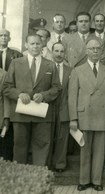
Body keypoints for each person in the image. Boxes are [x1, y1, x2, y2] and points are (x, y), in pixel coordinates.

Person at [3, 34, 61, 166]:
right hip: (21, 114)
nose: (35, 46)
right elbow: (6, 87)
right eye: (32, 43)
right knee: (19, 148)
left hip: (42, 115)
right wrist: (19, 94)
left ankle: (39, 179)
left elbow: (57, 88)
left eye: (38, 43)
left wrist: (44, 96)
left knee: (42, 148)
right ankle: (21, 181)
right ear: (26, 45)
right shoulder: (16, 63)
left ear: (42, 45)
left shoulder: (50, 65)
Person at [69, 38, 105, 191]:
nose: (95, 51)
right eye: (92, 48)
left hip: (103, 115)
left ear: (101, 51)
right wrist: (73, 118)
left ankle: (97, 181)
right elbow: (72, 97)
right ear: (86, 51)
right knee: (85, 149)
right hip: (84, 115)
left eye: (98, 48)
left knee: (99, 151)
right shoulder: (77, 71)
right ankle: (84, 180)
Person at [0, 29, 22, 161]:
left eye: (5, 36)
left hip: (11, 92)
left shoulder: (16, 54)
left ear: (9, 38)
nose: (3, 38)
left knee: (8, 127)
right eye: (0, 35)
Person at [51, 42, 72, 173]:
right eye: (56, 51)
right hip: (47, 108)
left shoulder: (70, 70)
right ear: (52, 52)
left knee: (62, 138)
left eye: (62, 51)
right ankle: (46, 164)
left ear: (65, 53)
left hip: (64, 107)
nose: (59, 54)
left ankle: (59, 164)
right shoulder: (45, 66)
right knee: (45, 137)